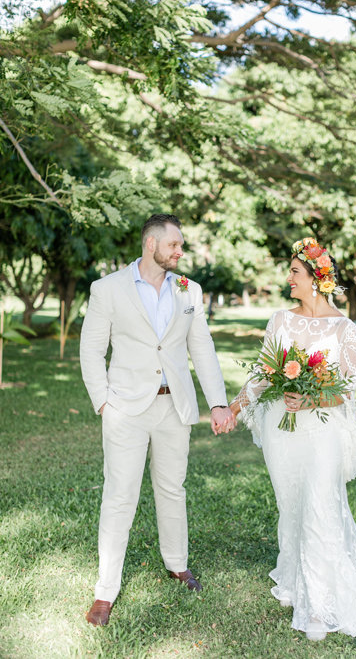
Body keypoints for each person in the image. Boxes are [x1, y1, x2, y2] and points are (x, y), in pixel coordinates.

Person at [229, 237, 356, 641]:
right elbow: (261, 374)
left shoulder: (344, 328)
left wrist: (311, 396)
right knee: (293, 504)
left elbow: (348, 387)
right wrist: (232, 409)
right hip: (281, 429)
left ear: (317, 280)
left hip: (322, 431)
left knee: (321, 504)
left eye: (294, 272)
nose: (288, 278)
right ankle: (294, 580)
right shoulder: (279, 320)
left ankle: (320, 606)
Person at [80, 213, 236, 626]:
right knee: (119, 496)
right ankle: (105, 591)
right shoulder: (107, 289)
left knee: (173, 488)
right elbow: (91, 351)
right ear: (151, 245)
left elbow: (202, 349)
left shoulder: (189, 291)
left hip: (174, 408)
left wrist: (218, 403)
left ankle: (177, 564)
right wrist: (103, 403)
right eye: (174, 245)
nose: (180, 252)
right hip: (125, 410)